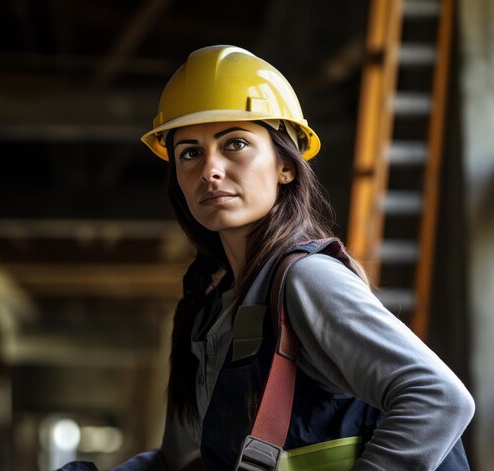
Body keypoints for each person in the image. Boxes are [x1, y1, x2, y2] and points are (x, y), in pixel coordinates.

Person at [62, 45, 475, 471]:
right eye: (189, 152)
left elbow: (438, 398)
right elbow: (185, 462)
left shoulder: (307, 280)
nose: (210, 170)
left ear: (286, 166)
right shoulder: (210, 311)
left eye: (235, 143)